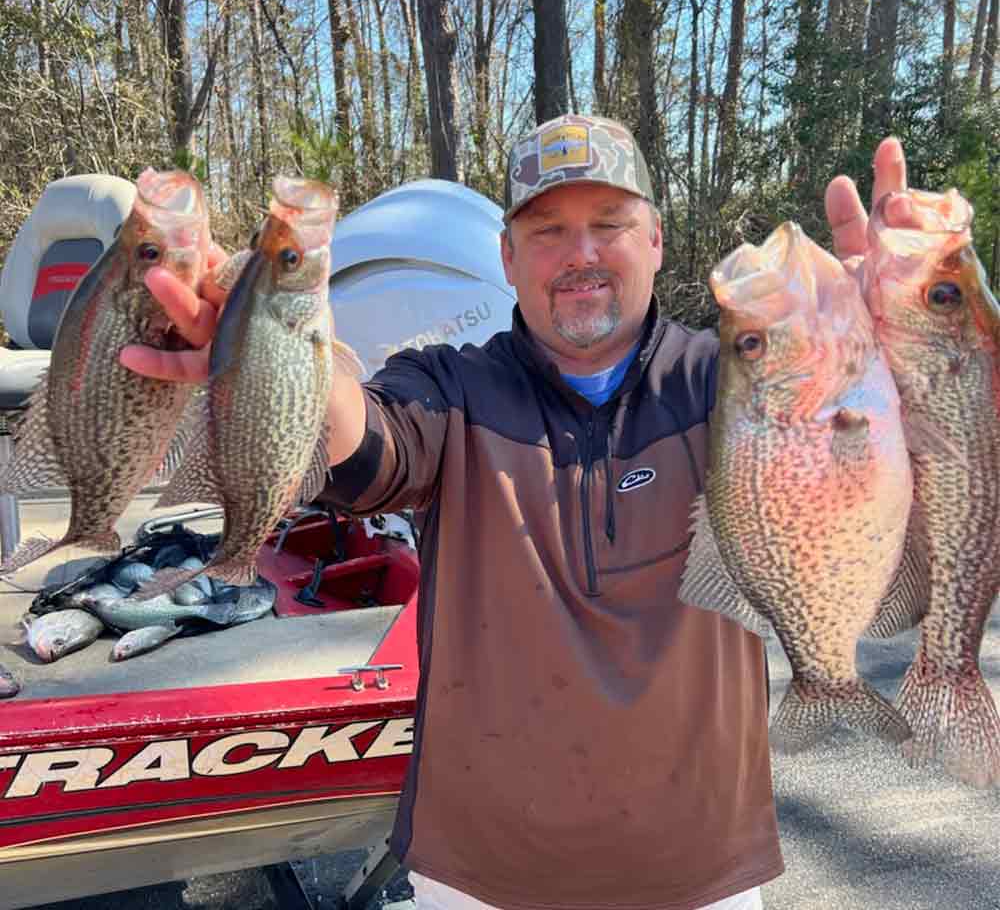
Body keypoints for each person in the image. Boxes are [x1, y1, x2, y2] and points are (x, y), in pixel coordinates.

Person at [122, 117, 915, 910]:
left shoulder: (731, 380)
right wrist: (284, 357)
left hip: (700, 869)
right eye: (548, 231)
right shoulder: (452, 386)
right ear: (505, 255)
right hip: (481, 877)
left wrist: (894, 343)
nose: (582, 255)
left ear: (657, 241)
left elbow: (875, 470)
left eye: (611, 225)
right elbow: (366, 455)